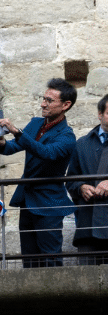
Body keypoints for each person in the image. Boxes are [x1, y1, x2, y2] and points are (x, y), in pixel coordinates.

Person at [0, 78, 77, 268]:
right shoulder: (36, 123)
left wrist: (17, 132)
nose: (42, 104)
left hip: (49, 203)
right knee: (29, 259)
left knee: (50, 258)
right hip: (28, 200)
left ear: (66, 105)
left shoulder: (68, 136)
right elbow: (14, 146)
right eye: (43, 98)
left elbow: (46, 153)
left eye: (49, 100)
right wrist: (1, 142)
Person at [67, 95, 108, 264]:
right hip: (88, 224)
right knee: (86, 283)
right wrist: (81, 187)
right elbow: (70, 180)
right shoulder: (82, 143)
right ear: (100, 114)